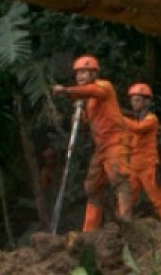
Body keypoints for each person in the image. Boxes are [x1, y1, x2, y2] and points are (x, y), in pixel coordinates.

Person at [50, 55, 131, 232]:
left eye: (84, 72)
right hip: (101, 147)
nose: (80, 76)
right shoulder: (87, 102)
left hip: (115, 141)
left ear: (94, 73)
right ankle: (90, 230)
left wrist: (66, 91)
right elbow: (90, 124)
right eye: (77, 73)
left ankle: (126, 221)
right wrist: (79, 119)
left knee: (119, 178)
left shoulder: (103, 87)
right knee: (92, 187)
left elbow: (93, 91)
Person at [117, 83, 161, 225]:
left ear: (146, 102)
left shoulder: (151, 119)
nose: (133, 103)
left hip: (149, 167)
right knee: (126, 200)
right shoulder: (134, 120)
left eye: (137, 100)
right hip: (133, 167)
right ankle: (122, 229)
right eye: (132, 100)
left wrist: (118, 117)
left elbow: (137, 129)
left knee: (159, 200)